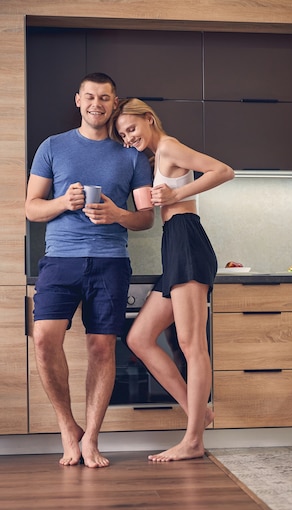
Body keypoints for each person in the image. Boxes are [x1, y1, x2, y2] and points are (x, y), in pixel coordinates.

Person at [25, 74, 154, 468]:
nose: (96, 103)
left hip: (110, 261)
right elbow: (31, 208)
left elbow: (147, 218)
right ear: (78, 100)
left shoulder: (131, 155)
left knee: (101, 348)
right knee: (44, 340)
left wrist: (118, 214)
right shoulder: (53, 146)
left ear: (114, 105)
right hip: (60, 259)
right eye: (90, 96)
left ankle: (92, 438)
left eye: (105, 98)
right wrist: (63, 202)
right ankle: (69, 429)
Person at [109, 98, 234, 462]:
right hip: (175, 244)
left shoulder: (169, 147)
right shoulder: (156, 156)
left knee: (192, 345)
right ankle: (200, 414)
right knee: (139, 337)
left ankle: (193, 440)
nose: (128, 138)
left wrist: (177, 194)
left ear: (149, 119)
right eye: (123, 135)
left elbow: (224, 171)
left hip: (187, 241)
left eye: (131, 129)